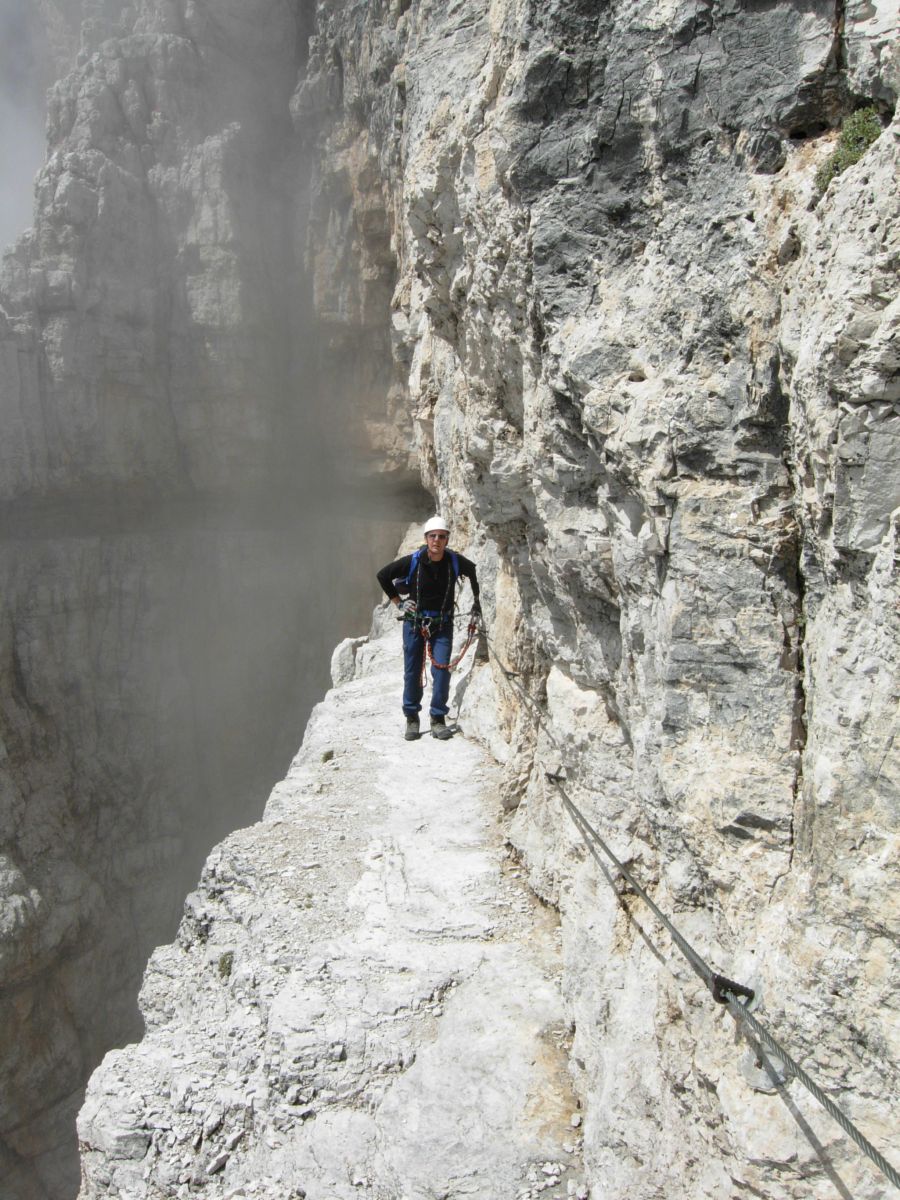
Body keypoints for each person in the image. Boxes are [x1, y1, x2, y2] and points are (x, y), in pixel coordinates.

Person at [376, 516, 481, 740]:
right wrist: (399, 602)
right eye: (433, 536)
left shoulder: (454, 561)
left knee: (441, 669)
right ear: (426, 539)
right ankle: (412, 718)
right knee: (412, 672)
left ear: (446, 539)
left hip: (442, 624)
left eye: (441, 537)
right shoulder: (413, 560)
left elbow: (474, 572)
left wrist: (477, 602)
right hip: (415, 623)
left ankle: (437, 718)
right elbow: (383, 575)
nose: (437, 540)